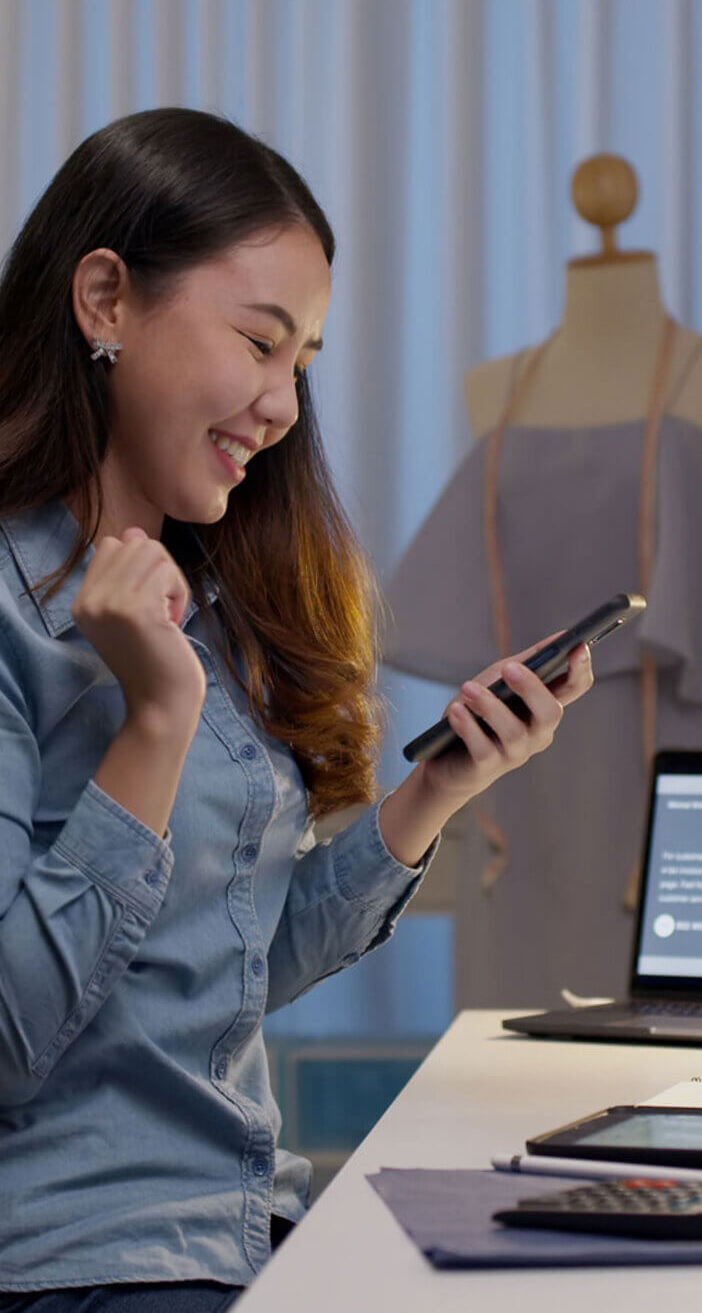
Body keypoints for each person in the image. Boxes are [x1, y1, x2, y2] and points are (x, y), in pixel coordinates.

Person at [0, 108, 593, 1311]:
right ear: (105, 299)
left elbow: (220, 970)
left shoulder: (198, 602)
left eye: (304, 364)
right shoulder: (22, 612)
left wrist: (438, 790)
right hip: (79, 1263)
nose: (280, 406)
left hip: (238, 1229)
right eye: (260, 343)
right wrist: (154, 723)